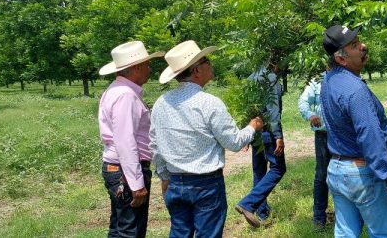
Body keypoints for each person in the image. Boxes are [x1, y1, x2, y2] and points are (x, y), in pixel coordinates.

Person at [150, 40, 265, 237]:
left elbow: (155, 145)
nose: (210, 64)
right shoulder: (209, 103)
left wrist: (164, 177)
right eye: (206, 61)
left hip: (176, 182)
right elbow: (234, 142)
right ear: (196, 70)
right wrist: (253, 126)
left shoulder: (162, 103)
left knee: (179, 233)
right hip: (206, 185)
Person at [320, 25, 387, 237]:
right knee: (383, 234)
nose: (363, 46)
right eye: (354, 45)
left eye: (359, 41)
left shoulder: (328, 80)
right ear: (341, 58)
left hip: (337, 170)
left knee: (346, 233)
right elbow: (371, 138)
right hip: (361, 173)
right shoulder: (355, 90)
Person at [98, 40, 164, 238]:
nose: (149, 69)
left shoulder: (116, 90)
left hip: (118, 169)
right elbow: (125, 141)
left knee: (120, 228)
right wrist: (136, 184)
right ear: (135, 67)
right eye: (146, 64)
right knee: (131, 231)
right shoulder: (126, 95)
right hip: (125, 172)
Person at [235, 58, 287, 228]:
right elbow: (273, 110)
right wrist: (278, 135)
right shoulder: (270, 78)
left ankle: (261, 212)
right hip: (268, 131)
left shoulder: (251, 78)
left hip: (255, 131)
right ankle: (248, 204)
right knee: (278, 168)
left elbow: (247, 108)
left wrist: (247, 134)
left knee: (259, 170)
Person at [298, 70, 332, 229]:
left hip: (344, 136)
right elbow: (303, 101)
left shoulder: (347, 76)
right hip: (323, 136)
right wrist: (310, 115)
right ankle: (319, 217)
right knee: (322, 175)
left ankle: (346, 213)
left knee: (345, 173)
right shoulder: (318, 79)